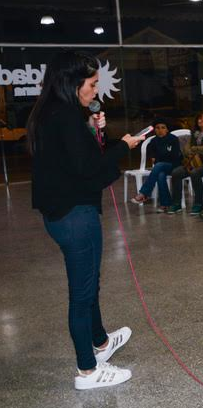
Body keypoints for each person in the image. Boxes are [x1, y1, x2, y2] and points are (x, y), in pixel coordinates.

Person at [28, 51, 144, 389]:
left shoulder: (50, 113)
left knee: (90, 284)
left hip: (64, 213)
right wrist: (123, 146)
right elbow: (89, 169)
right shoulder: (63, 117)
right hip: (74, 216)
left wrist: (95, 131)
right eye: (92, 85)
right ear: (73, 84)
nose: (96, 91)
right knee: (81, 295)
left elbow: (76, 159)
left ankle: (101, 343)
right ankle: (88, 371)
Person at [168, 111, 203, 215]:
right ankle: (176, 203)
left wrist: (194, 148)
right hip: (192, 163)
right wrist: (191, 150)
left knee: (195, 173)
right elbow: (186, 149)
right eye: (200, 119)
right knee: (176, 172)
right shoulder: (194, 133)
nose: (202, 121)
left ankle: (198, 204)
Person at [130, 119, 182, 212]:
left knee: (159, 165)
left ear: (167, 129)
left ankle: (144, 193)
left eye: (163, 128)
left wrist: (162, 157)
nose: (160, 130)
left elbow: (175, 157)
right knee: (160, 175)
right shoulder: (153, 141)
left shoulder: (173, 139)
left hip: (174, 166)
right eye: (157, 128)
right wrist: (164, 156)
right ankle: (165, 204)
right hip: (160, 167)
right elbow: (154, 159)